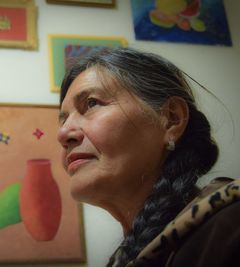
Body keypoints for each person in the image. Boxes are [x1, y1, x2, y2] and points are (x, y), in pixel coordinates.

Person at [57, 47, 240, 267]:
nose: (63, 134)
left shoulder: (230, 229)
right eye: (63, 119)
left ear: (171, 119)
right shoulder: (124, 258)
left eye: (92, 103)